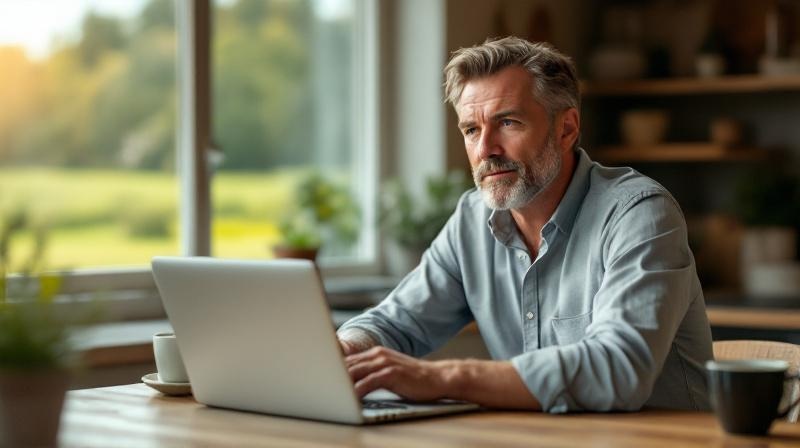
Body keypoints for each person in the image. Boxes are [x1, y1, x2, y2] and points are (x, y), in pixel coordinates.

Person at [337, 36, 713, 413]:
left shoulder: (640, 213)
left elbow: (619, 369)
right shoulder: (471, 219)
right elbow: (396, 323)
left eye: (508, 122)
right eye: (471, 130)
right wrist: (346, 350)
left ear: (566, 129)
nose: (486, 149)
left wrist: (444, 378)